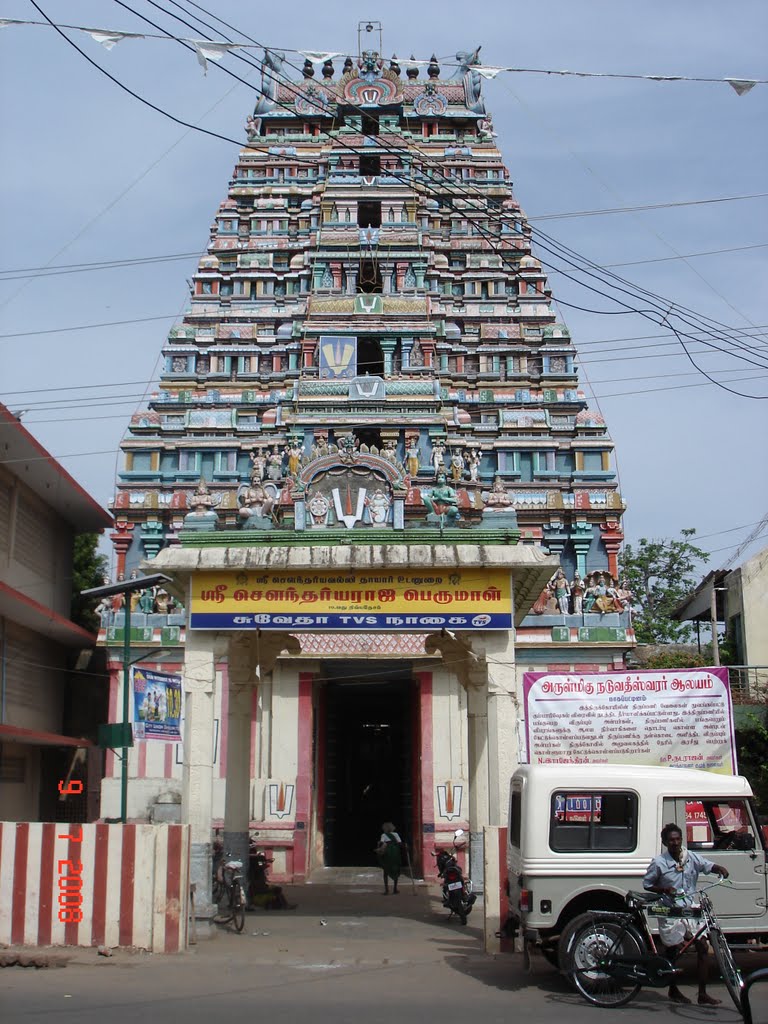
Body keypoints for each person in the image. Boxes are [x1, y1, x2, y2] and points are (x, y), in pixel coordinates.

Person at [643, 822, 730, 1006]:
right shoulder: (659, 862)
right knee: (673, 951)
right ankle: (673, 990)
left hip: (690, 908)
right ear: (665, 842)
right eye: (671, 840)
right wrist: (665, 889)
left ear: (681, 839)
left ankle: (702, 994)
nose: (675, 843)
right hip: (669, 909)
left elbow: (708, 865)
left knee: (703, 947)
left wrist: (720, 869)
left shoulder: (690, 857)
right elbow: (647, 884)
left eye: (677, 839)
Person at [376, 822, 403, 895]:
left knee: (386, 870)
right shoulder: (396, 834)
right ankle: (395, 889)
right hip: (395, 852)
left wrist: (379, 844)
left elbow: (381, 843)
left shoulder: (383, 835)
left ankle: (386, 890)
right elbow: (400, 843)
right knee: (395, 869)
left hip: (387, 853)